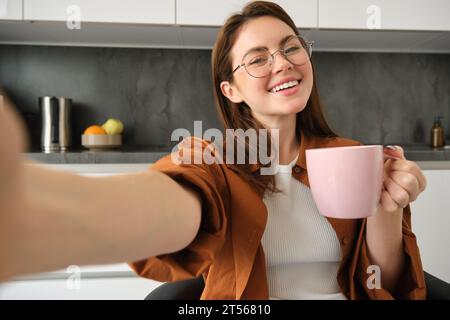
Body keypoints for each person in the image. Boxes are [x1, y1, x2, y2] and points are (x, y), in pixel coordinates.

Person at [0, 1, 427, 300]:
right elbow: (179, 198)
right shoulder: (216, 160)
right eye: (257, 59)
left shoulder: (352, 155)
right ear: (232, 90)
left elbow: (382, 282)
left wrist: (386, 207)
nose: (282, 63)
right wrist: (36, 213)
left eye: (291, 46)